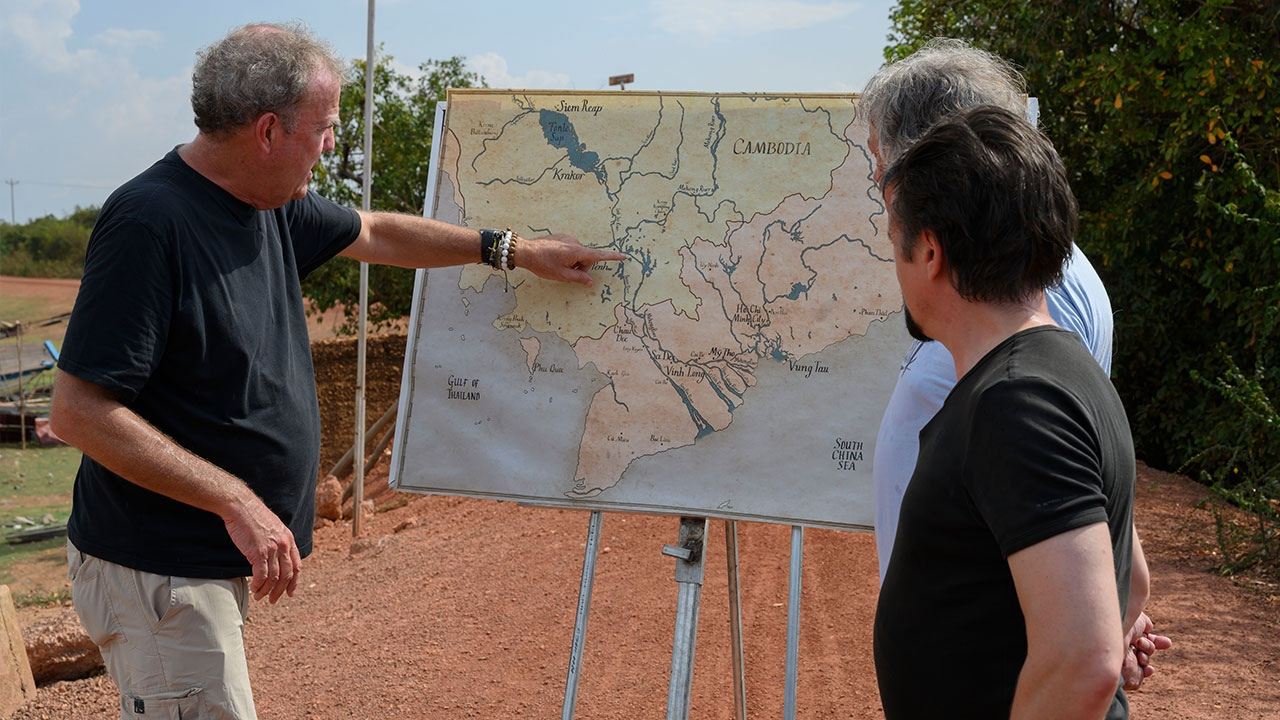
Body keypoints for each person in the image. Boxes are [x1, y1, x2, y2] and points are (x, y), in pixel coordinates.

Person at [48, 22, 625, 720]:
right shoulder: (149, 223)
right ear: (267, 131)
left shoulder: (268, 203)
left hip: (194, 565)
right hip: (156, 566)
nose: (330, 146)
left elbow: (376, 232)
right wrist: (237, 500)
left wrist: (514, 250)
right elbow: (80, 412)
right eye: (323, 129)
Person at [860, 38, 1169, 689]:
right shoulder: (1030, 317)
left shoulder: (1013, 385)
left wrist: (1094, 640)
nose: (882, 194)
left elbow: (1079, 656)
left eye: (884, 170)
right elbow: (1101, 539)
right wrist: (1107, 616)